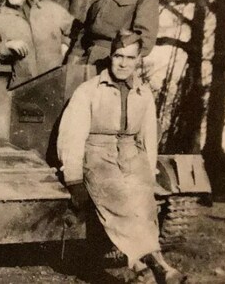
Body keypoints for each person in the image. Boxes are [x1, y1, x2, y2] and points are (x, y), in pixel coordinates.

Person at [57, 30, 185, 284]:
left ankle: (142, 266)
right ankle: (155, 265)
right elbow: (72, 136)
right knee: (118, 199)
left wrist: (148, 173)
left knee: (144, 203)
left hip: (129, 153)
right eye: (118, 56)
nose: (123, 63)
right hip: (97, 153)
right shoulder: (89, 91)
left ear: (138, 60)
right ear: (111, 57)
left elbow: (148, 137)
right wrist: (73, 180)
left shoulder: (143, 93)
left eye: (129, 58)